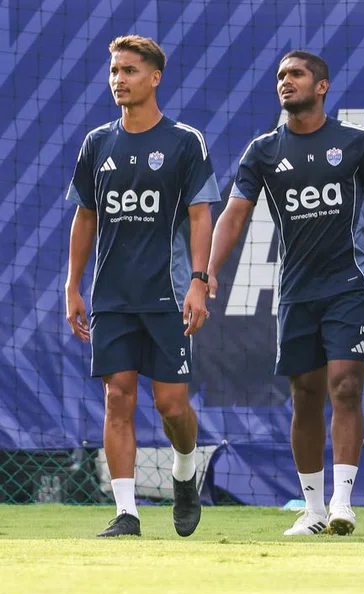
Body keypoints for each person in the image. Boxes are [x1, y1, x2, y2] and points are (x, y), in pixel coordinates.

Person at [207, 50, 364, 536]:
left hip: (350, 285)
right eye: (280, 75)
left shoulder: (356, 143)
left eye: (296, 74)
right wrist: (207, 272)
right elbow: (234, 214)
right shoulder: (262, 150)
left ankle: (343, 502)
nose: (286, 82)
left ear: (321, 86)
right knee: (305, 396)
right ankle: (314, 510)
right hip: (296, 291)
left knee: (345, 385)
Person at [64, 35, 219, 537]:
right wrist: (72, 285)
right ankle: (126, 512)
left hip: (168, 295)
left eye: (129, 71)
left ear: (154, 77)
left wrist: (199, 280)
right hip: (111, 296)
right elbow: (85, 217)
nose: (118, 80)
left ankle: (184, 471)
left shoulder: (184, 141)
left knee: (171, 404)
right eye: (114, 71)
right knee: (118, 398)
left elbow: (201, 216)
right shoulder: (97, 143)